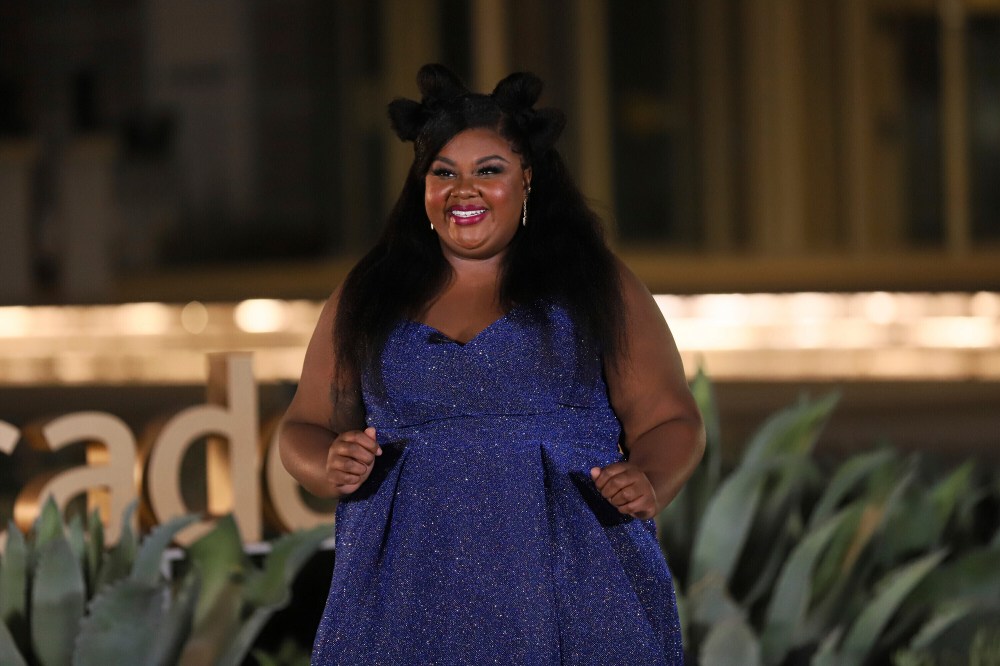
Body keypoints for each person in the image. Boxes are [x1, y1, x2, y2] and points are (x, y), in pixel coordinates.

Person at [279, 63, 705, 665]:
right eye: (443, 172)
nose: (464, 189)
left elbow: (669, 418)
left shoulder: (593, 284)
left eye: (489, 170)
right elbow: (302, 425)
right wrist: (327, 463)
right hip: (404, 596)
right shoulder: (369, 293)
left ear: (527, 179)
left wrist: (651, 481)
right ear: (421, 186)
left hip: (575, 591)